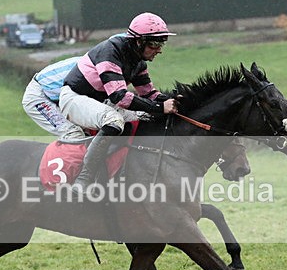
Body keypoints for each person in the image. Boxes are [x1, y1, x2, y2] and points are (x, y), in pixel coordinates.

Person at [59, 12, 179, 195]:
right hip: (74, 98)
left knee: (142, 119)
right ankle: (84, 178)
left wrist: (176, 101)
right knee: (114, 122)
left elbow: (149, 94)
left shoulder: (138, 61)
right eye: (155, 44)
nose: (159, 50)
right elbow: (120, 98)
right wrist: (160, 108)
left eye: (162, 43)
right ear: (139, 41)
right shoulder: (111, 51)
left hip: (100, 102)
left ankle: (113, 175)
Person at [22, 56, 87, 143]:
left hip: (57, 94)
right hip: (39, 97)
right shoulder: (93, 67)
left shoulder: (99, 60)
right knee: (73, 134)